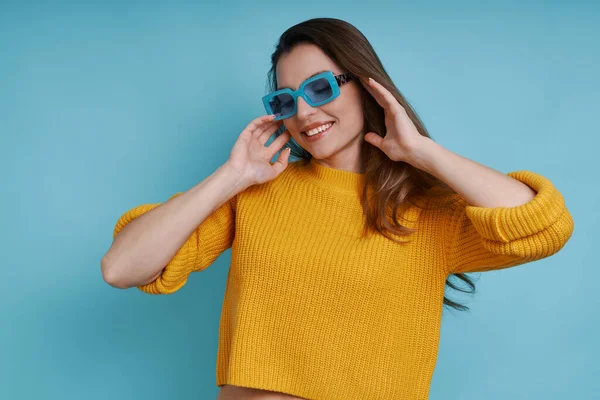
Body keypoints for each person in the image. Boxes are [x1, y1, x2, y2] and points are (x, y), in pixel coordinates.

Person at [101, 17, 574, 400]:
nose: (305, 113)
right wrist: (233, 175)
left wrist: (424, 153)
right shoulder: (257, 194)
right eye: (287, 100)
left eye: (321, 88)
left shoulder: (428, 212)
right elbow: (123, 267)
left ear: (366, 86)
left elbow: (545, 226)